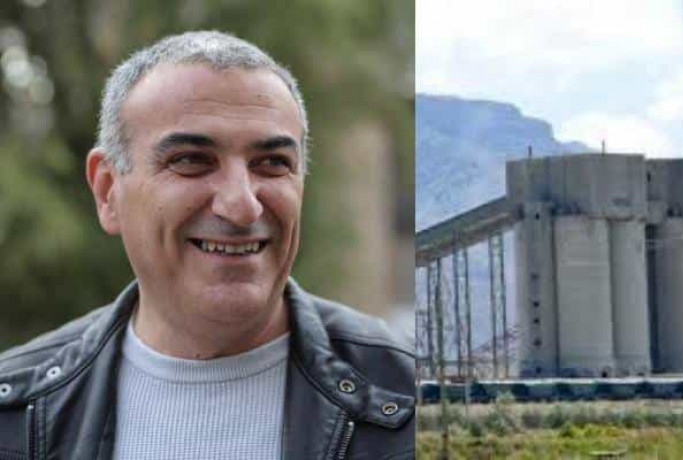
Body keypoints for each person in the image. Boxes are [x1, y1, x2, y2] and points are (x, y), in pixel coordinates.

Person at [0, 31, 414, 460]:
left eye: (272, 163)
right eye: (190, 160)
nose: (242, 205)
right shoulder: (14, 418)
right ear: (107, 192)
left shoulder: (405, 400)